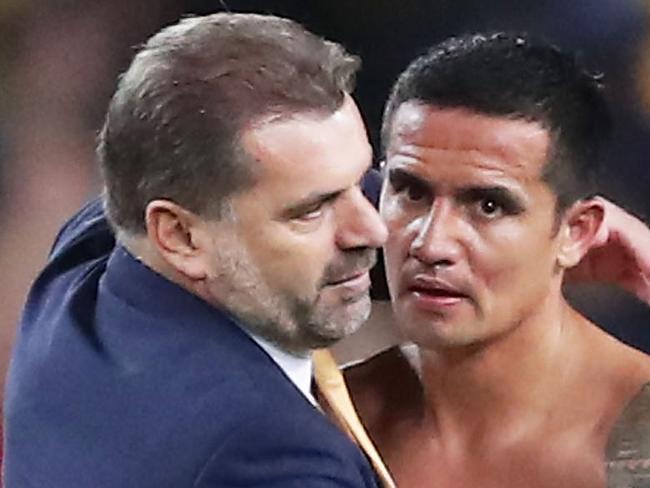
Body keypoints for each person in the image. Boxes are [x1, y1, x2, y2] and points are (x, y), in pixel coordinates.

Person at [3, 13, 391, 487]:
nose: (373, 228)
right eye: (312, 210)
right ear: (182, 237)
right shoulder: (277, 458)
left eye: (362, 180)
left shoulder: (83, 265)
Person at [344, 33, 650, 488]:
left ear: (576, 231)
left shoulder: (637, 435)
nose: (431, 245)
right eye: (411, 191)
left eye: (488, 206)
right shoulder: (332, 418)